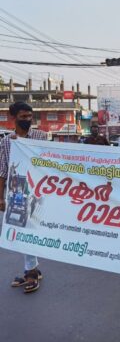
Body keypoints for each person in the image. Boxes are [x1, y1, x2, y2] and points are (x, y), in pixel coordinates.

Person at [0, 102, 48, 293]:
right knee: (21, 230)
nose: (27, 120)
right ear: (14, 118)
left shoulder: (41, 137)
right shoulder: (6, 142)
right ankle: (32, 269)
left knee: (29, 230)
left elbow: (50, 162)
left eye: (30, 116)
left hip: (37, 191)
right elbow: (3, 171)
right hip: (16, 193)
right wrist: (1, 198)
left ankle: (31, 273)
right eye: (23, 116)